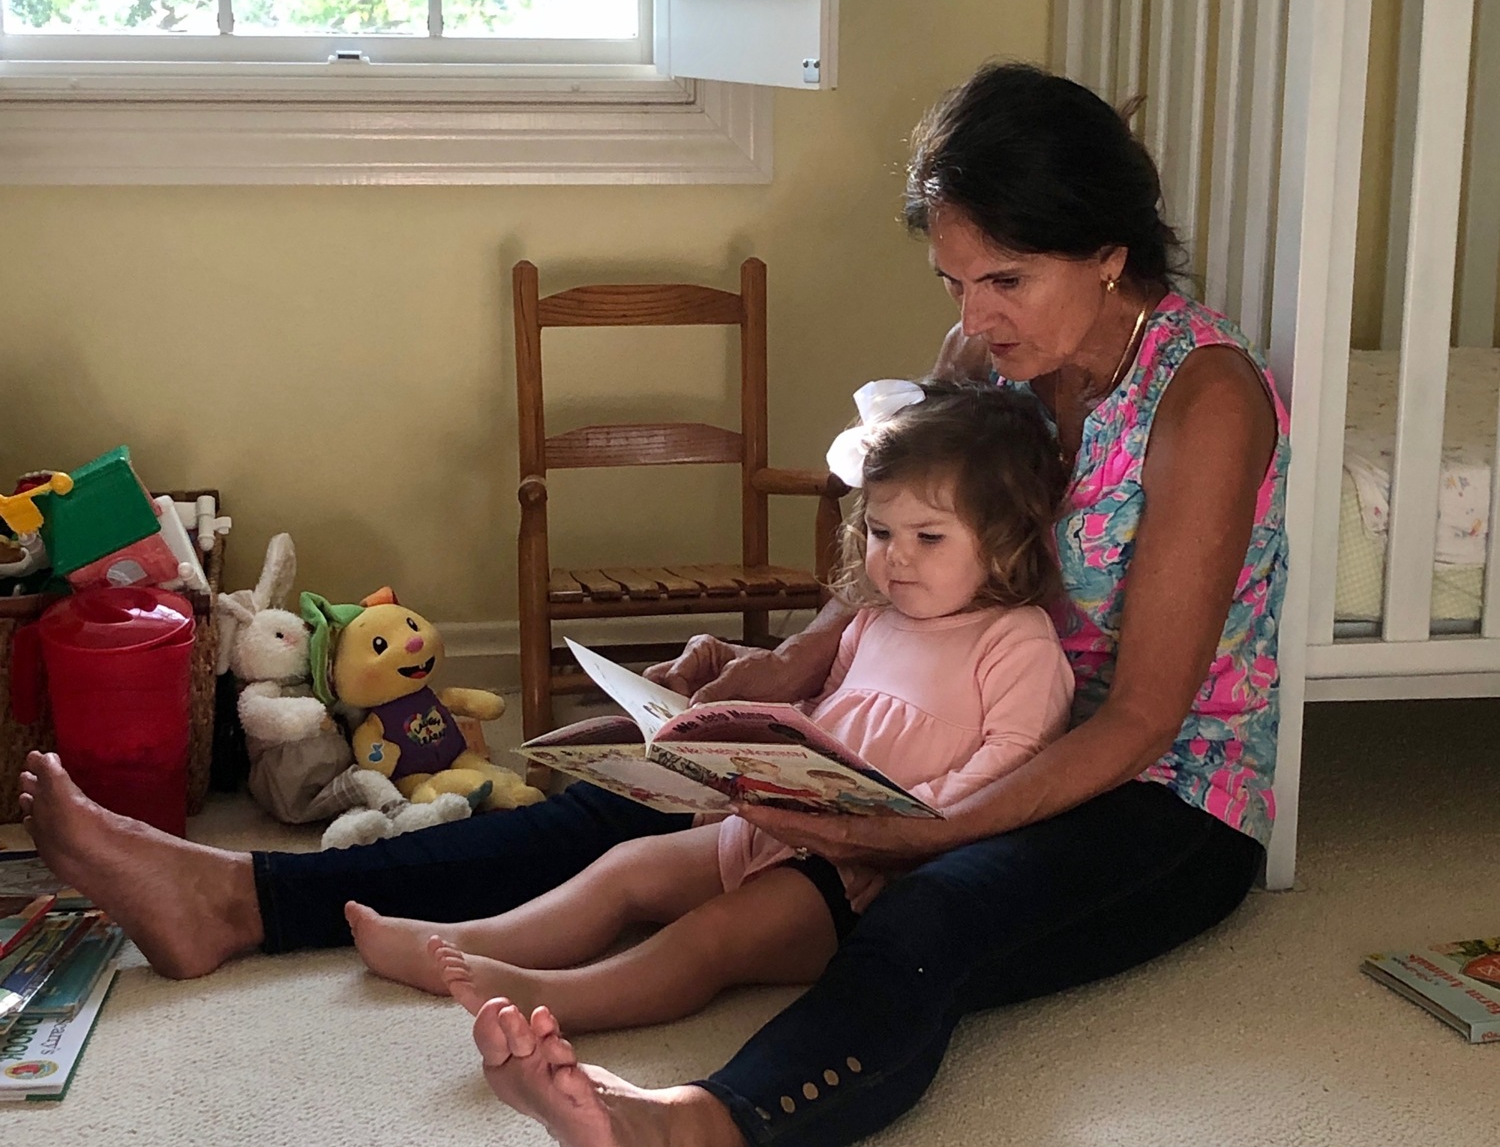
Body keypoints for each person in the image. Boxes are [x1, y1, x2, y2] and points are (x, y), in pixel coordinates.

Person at [18, 60, 1286, 1147]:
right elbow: (899, 538)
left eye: (1003, 279)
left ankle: (681, 1136)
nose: (972, 317)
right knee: (642, 793)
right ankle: (240, 899)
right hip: (936, 718)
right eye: (956, 280)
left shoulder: (1204, 396)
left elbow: (1137, 718)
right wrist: (781, 669)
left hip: (1157, 794)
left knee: (933, 912)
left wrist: (921, 835)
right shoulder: (986, 362)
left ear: (1111, 250)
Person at [346, 380, 1074, 1033]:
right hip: (784, 829)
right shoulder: (873, 619)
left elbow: (1013, 765)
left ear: (1005, 543)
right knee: (626, 868)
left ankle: (558, 998)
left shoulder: (1017, 641)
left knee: (710, 940)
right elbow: (825, 712)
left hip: (874, 875)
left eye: (929, 537)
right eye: (881, 533)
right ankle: (473, 939)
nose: (897, 557)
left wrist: (893, 821)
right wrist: (731, 769)